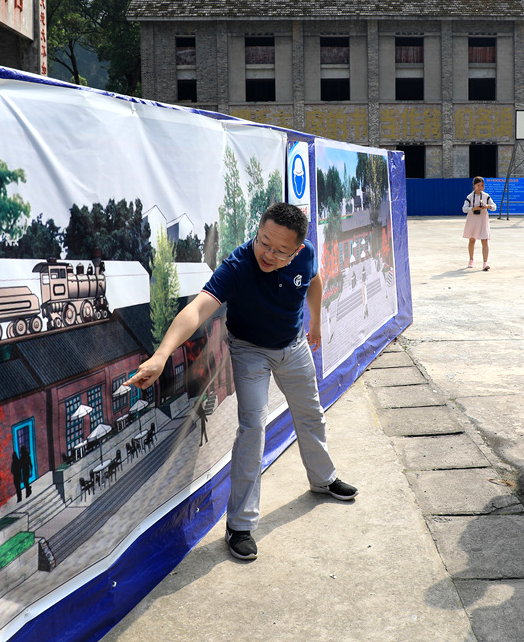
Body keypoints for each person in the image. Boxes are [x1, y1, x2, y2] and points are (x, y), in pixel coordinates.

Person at [125, 202, 357, 562]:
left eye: (280, 250)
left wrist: (315, 322)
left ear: (297, 250)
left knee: (311, 413)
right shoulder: (238, 265)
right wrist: (162, 354)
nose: (268, 254)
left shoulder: (306, 255)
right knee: (253, 428)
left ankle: (323, 478)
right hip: (250, 351)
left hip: (294, 346)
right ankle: (240, 525)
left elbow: (314, 280)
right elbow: (198, 308)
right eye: (264, 241)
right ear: (258, 231)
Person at [462, 176, 497, 270]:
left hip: (483, 220)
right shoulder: (470, 197)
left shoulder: (486, 196)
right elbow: (464, 209)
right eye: (478, 185)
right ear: (474, 185)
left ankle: (485, 263)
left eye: (482, 185)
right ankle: (471, 259)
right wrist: (473, 208)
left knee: (484, 240)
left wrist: (488, 206)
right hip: (472, 220)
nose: (480, 187)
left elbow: (494, 207)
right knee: (472, 240)